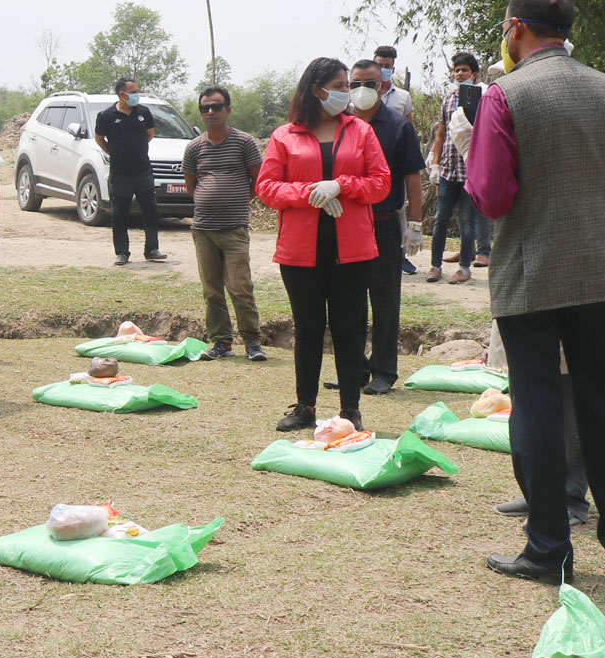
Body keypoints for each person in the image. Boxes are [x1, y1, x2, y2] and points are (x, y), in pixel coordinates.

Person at [466, 0, 605, 584]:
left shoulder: (504, 95)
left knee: (539, 410)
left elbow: (493, 197)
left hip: (531, 270)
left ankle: (548, 549)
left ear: (515, 29)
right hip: (602, 270)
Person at [256, 57, 390, 432]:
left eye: (347, 85)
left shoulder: (361, 132)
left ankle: (351, 410)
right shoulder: (285, 135)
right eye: (340, 85)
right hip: (301, 251)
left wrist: (342, 185)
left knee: (349, 328)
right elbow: (267, 187)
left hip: (353, 248)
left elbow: (381, 182)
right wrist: (309, 193)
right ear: (317, 90)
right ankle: (305, 407)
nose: (347, 93)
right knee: (309, 328)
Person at [340, 59, 425, 396]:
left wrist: (415, 224)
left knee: (385, 300)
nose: (362, 90)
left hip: (383, 224)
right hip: (346, 225)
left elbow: (413, 178)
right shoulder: (340, 124)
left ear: (383, 86)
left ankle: (384, 371)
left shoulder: (398, 126)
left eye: (370, 84)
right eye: (355, 83)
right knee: (349, 301)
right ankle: (353, 369)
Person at [181, 85, 266, 361]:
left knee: (240, 287)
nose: (210, 112)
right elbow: (192, 186)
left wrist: (235, 200)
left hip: (234, 228)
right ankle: (221, 342)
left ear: (228, 110)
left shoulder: (244, 142)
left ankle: (253, 343)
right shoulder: (193, 148)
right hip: (203, 229)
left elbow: (258, 180)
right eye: (205, 108)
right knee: (212, 290)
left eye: (216, 107)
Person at [427, 51, 491, 283]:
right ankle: (435, 266)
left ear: (474, 74)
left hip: (470, 171)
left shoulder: (484, 98)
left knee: (467, 221)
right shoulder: (447, 99)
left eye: (464, 70)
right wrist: (435, 164)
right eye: (456, 70)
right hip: (448, 170)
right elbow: (440, 133)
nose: (459, 74)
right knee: (440, 219)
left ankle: (464, 268)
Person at [95, 78, 166, 264]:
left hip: (143, 171)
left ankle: (152, 249)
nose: (136, 95)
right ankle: (122, 252)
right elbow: (99, 137)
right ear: (122, 94)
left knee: (150, 211)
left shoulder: (143, 112)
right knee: (119, 214)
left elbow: (149, 134)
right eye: (133, 91)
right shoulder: (107, 115)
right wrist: (113, 151)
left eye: (137, 91)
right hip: (120, 174)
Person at [373, 45, 414, 118]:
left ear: (393, 70)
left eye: (387, 66)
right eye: (380, 65)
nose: (383, 69)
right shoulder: (364, 93)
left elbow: (408, 126)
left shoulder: (404, 96)